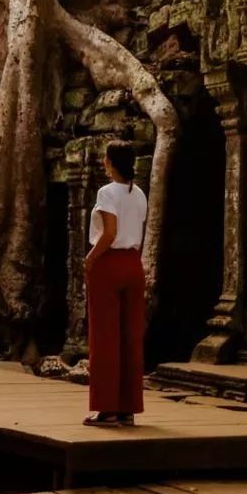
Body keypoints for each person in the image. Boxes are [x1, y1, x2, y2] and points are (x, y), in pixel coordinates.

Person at [83, 140, 147, 427]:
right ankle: (127, 408)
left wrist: (90, 258)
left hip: (109, 263)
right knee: (130, 337)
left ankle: (106, 409)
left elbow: (109, 233)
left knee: (104, 337)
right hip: (133, 263)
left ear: (110, 163)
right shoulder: (140, 194)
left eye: (105, 159)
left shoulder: (107, 192)